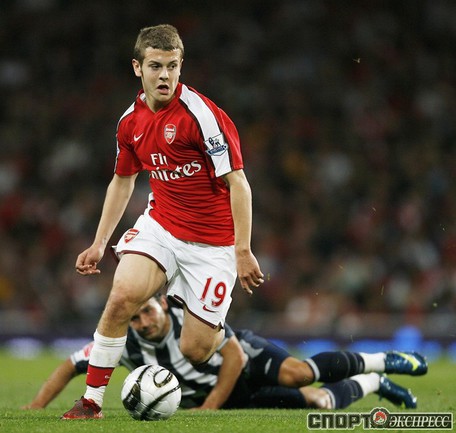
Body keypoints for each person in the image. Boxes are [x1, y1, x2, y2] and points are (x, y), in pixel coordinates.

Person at [62, 24, 264, 419]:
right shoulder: (130, 122)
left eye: (173, 66)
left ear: (181, 65)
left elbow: (239, 183)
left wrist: (243, 251)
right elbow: (123, 180)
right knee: (122, 296)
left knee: (195, 350)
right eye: (156, 66)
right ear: (137, 67)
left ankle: (216, 326)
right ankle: (91, 402)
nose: (165, 75)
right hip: (163, 227)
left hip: (213, 244)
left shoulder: (202, 116)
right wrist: (99, 243)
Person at [26, 296, 427, 416]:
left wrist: (210, 408)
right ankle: (373, 382)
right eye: (134, 318)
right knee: (319, 402)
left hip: (243, 359)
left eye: (146, 311)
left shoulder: (188, 314)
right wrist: (36, 407)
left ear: (162, 303)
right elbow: (71, 365)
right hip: (228, 397)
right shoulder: (123, 344)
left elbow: (232, 355)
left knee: (300, 375)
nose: (142, 322)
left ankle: (381, 360)